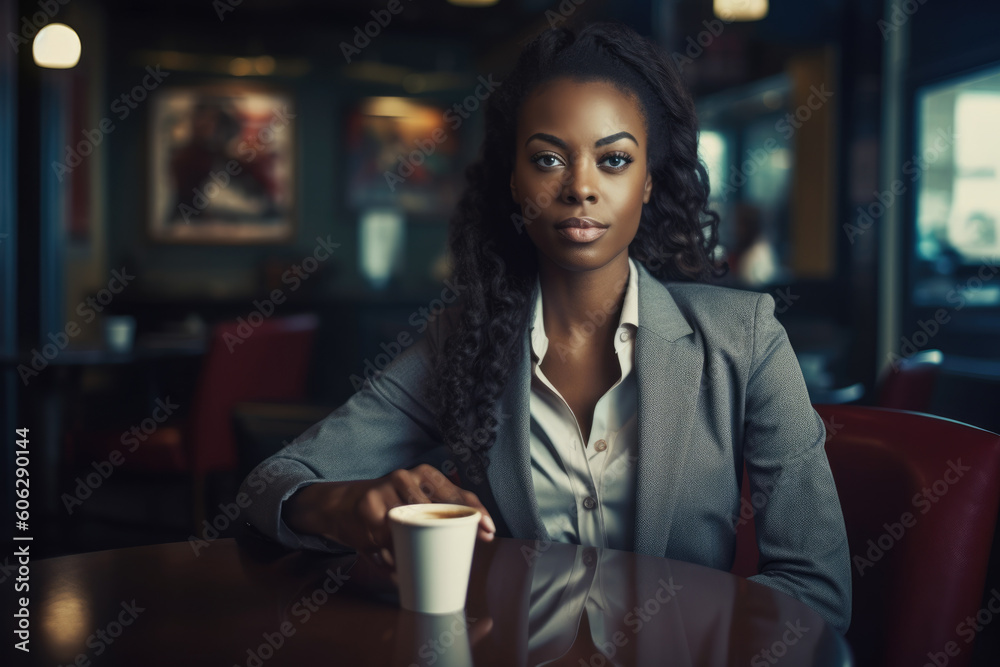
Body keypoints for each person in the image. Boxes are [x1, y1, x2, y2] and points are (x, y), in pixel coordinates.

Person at [239, 21, 852, 633]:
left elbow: (816, 588)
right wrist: (343, 506)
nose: (580, 188)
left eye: (613, 160)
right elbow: (272, 485)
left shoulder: (744, 338)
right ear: (514, 181)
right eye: (549, 159)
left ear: (648, 182)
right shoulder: (463, 339)